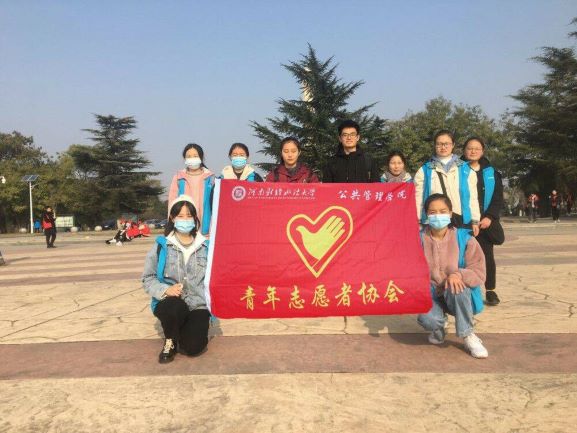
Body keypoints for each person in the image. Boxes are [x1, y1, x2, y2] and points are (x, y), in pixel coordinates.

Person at [417, 194, 488, 359]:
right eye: (432, 212)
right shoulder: (418, 239)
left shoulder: (464, 238)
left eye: (442, 211)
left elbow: (478, 270)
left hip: (455, 291)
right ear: (426, 214)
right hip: (430, 291)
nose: (437, 216)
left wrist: (458, 275)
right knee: (428, 319)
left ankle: (468, 334)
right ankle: (438, 327)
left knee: (458, 288)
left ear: (450, 213)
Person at [142, 195, 211, 364]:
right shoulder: (162, 246)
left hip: (198, 304)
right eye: (180, 216)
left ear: (195, 218)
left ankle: (185, 328)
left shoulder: (206, 247)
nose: (185, 220)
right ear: (172, 218)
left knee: (193, 347)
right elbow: (148, 278)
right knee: (174, 307)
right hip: (171, 302)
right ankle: (170, 340)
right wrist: (165, 290)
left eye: (189, 216)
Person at [462, 137, 505, 306]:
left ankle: (490, 290)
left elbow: (498, 197)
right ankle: (468, 291)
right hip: (464, 222)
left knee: (487, 257)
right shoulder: (458, 170)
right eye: (469, 148)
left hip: (485, 223)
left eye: (477, 148)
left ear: (483, 151)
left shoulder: (491, 172)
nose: (473, 151)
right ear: (464, 150)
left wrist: (490, 217)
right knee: (464, 258)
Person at [414, 130, 480, 236]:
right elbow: (418, 198)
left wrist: (475, 220)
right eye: (439, 144)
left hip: (460, 220)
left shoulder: (466, 170)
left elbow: (472, 197)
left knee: (459, 246)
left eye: (446, 144)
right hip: (434, 220)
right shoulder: (424, 170)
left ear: (453, 145)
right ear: (435, 145)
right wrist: (417, 220)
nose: (443, 147)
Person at [168, 143, 215, 235]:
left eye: (195, 156)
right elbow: (172, 203)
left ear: (201, 157)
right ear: (185, 159)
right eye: (189, 156)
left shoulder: (211, 178)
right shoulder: (178, 177)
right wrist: (170, 225)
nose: (192, 158)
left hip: (206, 226)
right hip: (185, 224)